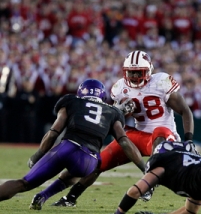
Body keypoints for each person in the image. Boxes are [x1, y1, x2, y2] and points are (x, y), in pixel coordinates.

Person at [30, 50, 194, 209]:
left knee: (160, 132)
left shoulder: (161, 82)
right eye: (131, 73)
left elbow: (185, 111)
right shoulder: (120, 88)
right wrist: (122, 111)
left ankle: (149, 182)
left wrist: (189, 140)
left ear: (149, 70)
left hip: (165, 138)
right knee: (97, 163)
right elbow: (115, 120)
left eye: (139, 72)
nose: (135, 77)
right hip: (138, 135)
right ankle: (68, 198)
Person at [0, 79, 145, 204]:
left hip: (66, 148)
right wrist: (145, 169)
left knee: (24, 183)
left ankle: (41, 194)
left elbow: (53, 133)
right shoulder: (113, 112)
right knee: (93, 166)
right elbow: (124, 142)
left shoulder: (71, 101)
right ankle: (44, 195)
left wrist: (37, 155)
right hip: (88, 160)